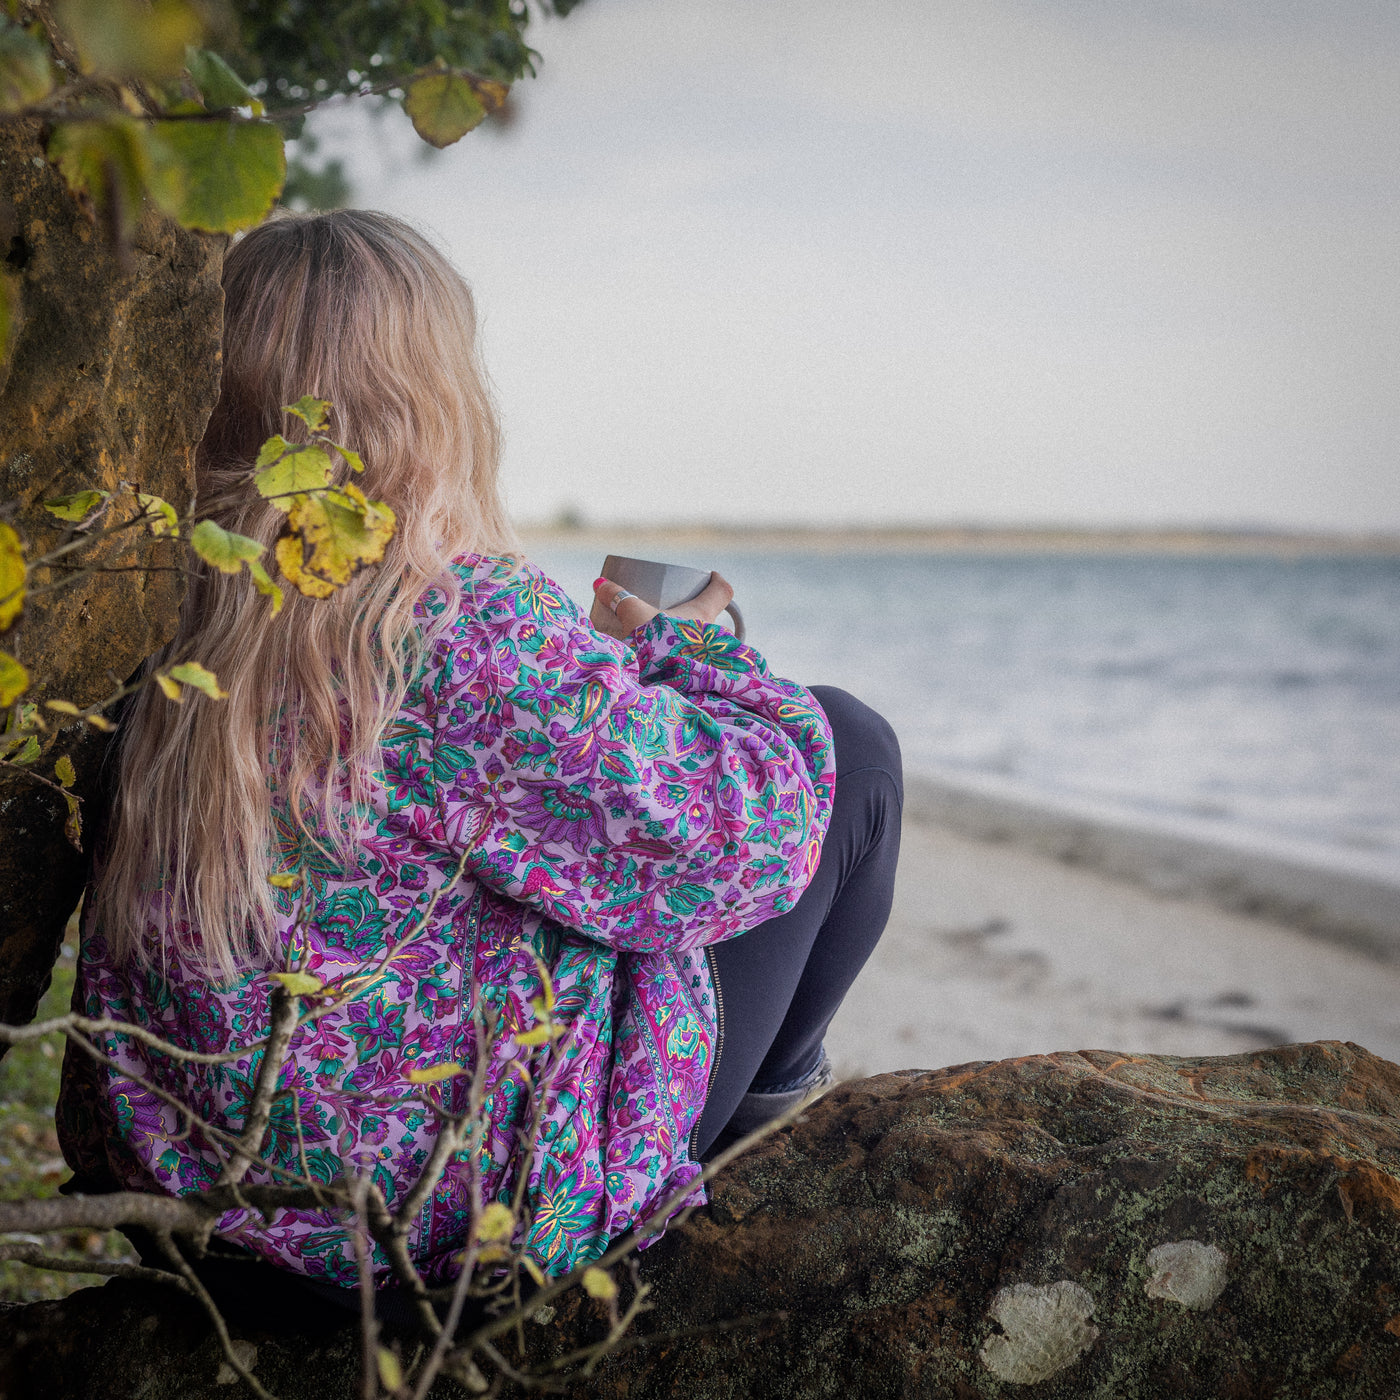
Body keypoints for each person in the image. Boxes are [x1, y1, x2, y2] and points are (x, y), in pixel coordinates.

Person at [57, 209, 903, 1307]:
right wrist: (679, 645)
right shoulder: (444, 624)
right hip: (433, 1242)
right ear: (431, 398)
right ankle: (756, 1149)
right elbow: (754, 832)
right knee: (850, 746)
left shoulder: (153, 600)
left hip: (197, 1210)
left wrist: (594, 694)